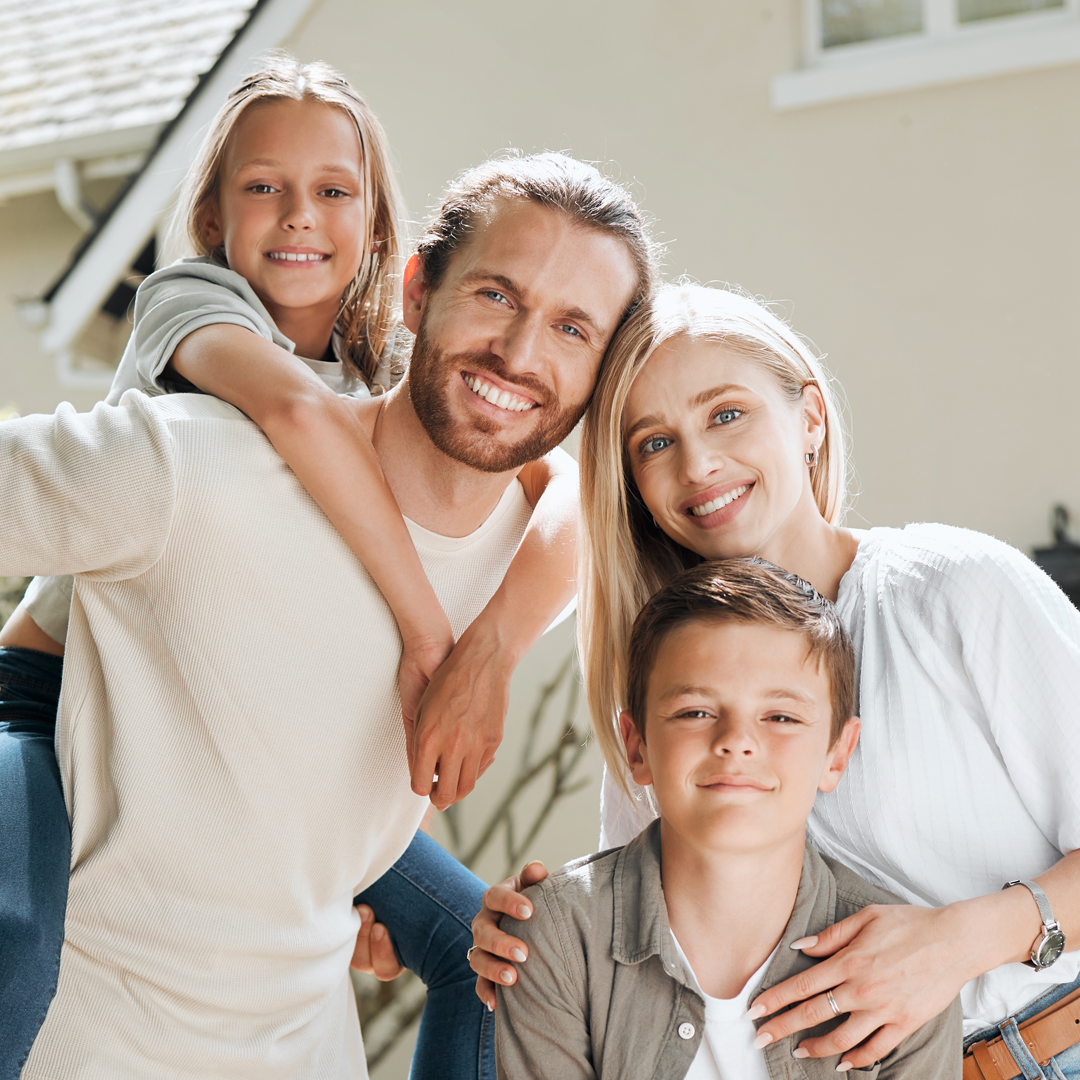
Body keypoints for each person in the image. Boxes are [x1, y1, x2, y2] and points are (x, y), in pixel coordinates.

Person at [0, 58, 594, 1080]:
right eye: (262, 188)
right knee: (15, 929)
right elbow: (294, 418)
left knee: (487, 955)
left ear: (375, 231)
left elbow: (568, 490)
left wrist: (487, 660)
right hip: (49, 694)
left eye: (332, 192)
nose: (297, 217)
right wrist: (427, 638)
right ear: (214, 218)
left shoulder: (377, 375)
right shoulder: (194, 310)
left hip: (251, 748)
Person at [469, 283, 1080, 1079]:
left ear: (811, 420)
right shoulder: (663, 684)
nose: (698, 464)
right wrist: (537, 929)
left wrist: (954, 944)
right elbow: (649, 946)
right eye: (654, 443)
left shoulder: (955, 588)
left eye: (727, 414)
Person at [495, 558, 962, 1079]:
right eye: (695, 712)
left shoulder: (908, 968)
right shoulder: (559, 937)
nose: (736, 740)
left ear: (837, 753)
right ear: (637, 746)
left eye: (781, 717)